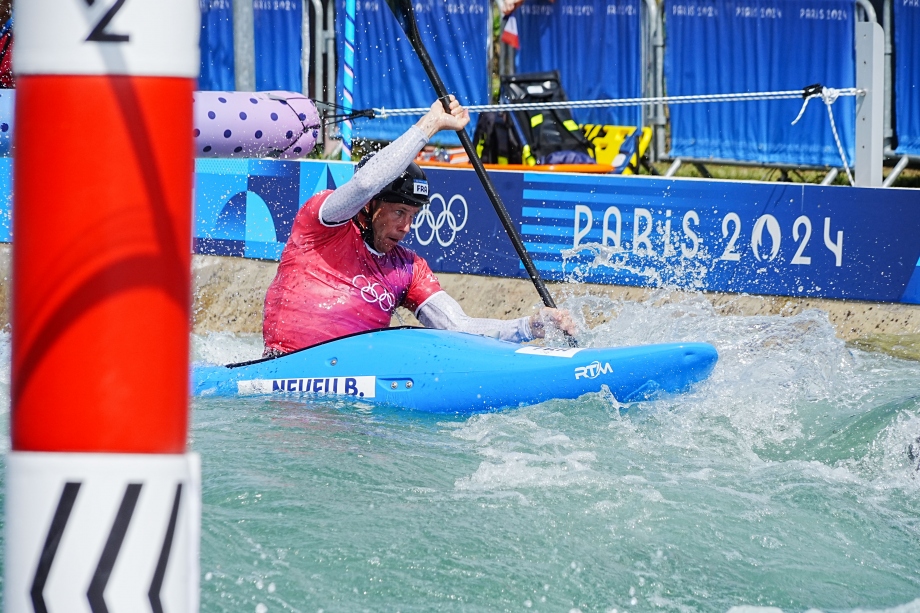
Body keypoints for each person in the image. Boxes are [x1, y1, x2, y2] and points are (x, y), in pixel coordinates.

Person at [262, 96, 574, 356]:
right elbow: (366, 183)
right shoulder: (322, 223)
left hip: (352, 390)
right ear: (371, 206)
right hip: (283, 368)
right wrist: (431, 124)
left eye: (413, 215)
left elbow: (457, 328)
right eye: (399, 212)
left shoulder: (410, 269)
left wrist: (531, 326)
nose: (407, 226)